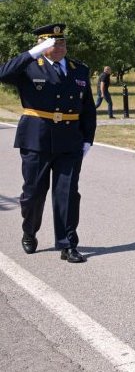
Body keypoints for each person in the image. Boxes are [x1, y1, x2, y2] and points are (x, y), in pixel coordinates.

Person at [0, 24, 96, 263]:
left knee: (68, 194)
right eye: (53, 43)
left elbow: (88, 109)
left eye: (62, 42)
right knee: (33, 193)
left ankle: (67, 244)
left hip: (69, 140)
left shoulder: (79, 70)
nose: (59, 47)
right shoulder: (29, 67)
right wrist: (33, 52)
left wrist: (88, 139)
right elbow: (2, 74)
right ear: (42, 45)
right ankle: (29, 230)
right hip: (37, 139)